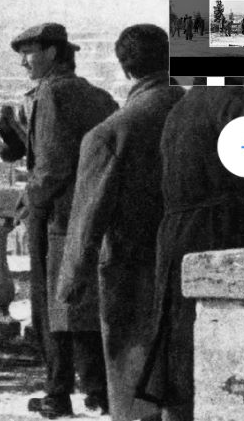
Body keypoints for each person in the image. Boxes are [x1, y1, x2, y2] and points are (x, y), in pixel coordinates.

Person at [136, 79, 244, 421]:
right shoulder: (229, 99)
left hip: (185, 233)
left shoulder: (189, 104)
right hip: (215, 232)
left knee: (180, 341)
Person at [57, 25, 184, 421]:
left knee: (133, 383)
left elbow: (87, 217)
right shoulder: (198, 113)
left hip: (132, 271)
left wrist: (71, 281)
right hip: (189, 261)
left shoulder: (110, 132)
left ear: (125, 68)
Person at [0, 23, 117, 418]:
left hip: (55, 215)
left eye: (29, 52)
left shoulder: (50, 94)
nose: (23, 61)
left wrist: (27, 202)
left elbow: (50, 166)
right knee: (83, 304)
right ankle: (99, 390)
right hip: (92, 212)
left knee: (51, 309)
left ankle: (57, 392)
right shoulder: (96, 96)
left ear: (51, 53)